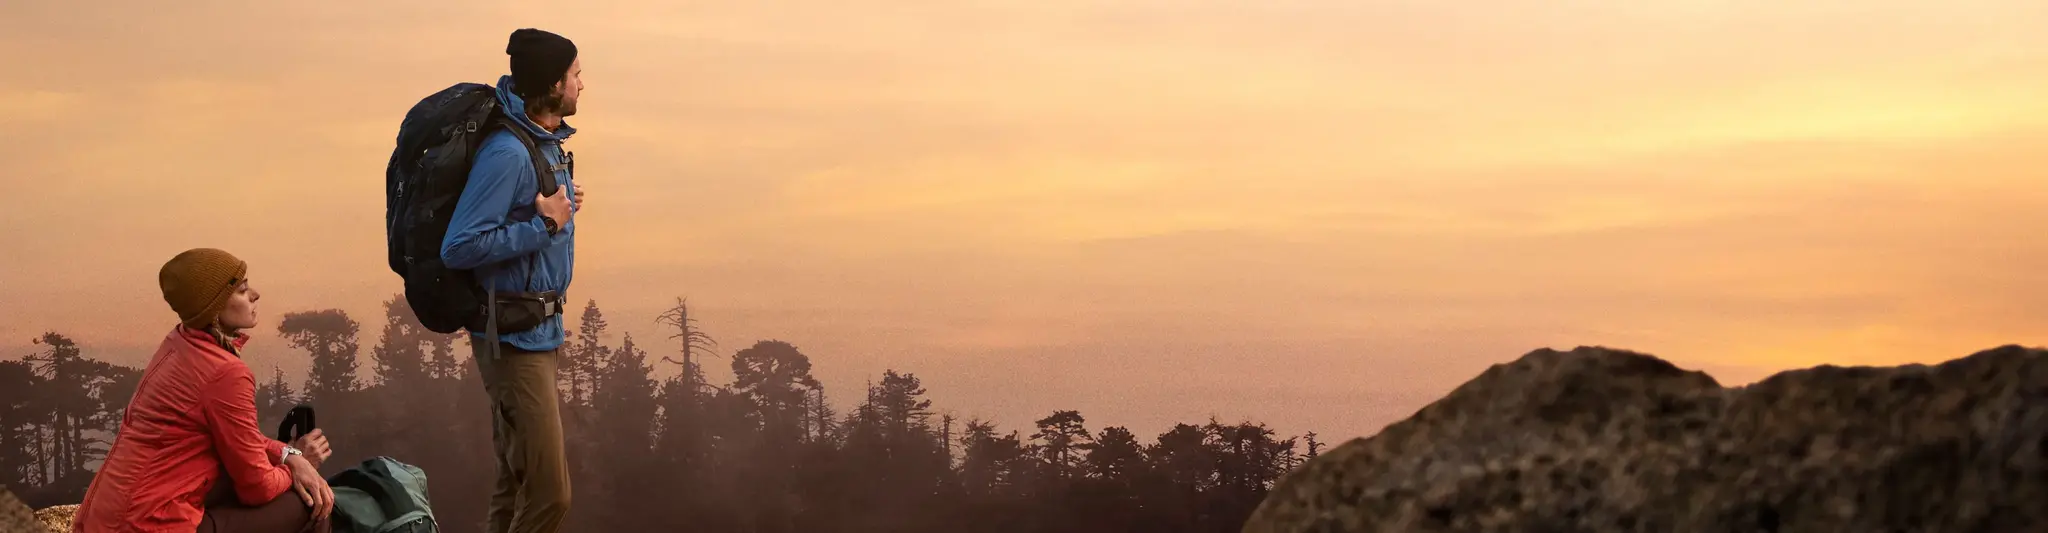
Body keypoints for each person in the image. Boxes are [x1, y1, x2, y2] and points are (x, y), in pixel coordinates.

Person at [73, 248, 336, 533]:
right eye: (242, 290)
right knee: (311, 502)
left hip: (108, 519)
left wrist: (289, 456)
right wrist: (302, 462)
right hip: (150, 524)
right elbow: (257, 488)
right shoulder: (225, 372)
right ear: (214, 306)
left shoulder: (179, 343)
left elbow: (242, 440)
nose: (255, 295)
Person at [439, 27, 585, 533]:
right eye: (575, 75)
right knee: (550, 496)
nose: (582, 85)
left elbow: (531, 209)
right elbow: (459, 247)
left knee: (516, 481)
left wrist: (558, 207)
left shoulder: (542, 144)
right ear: (551, 86)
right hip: (515, 341)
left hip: (534, 333)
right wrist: (543, 224)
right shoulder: (507, 152)